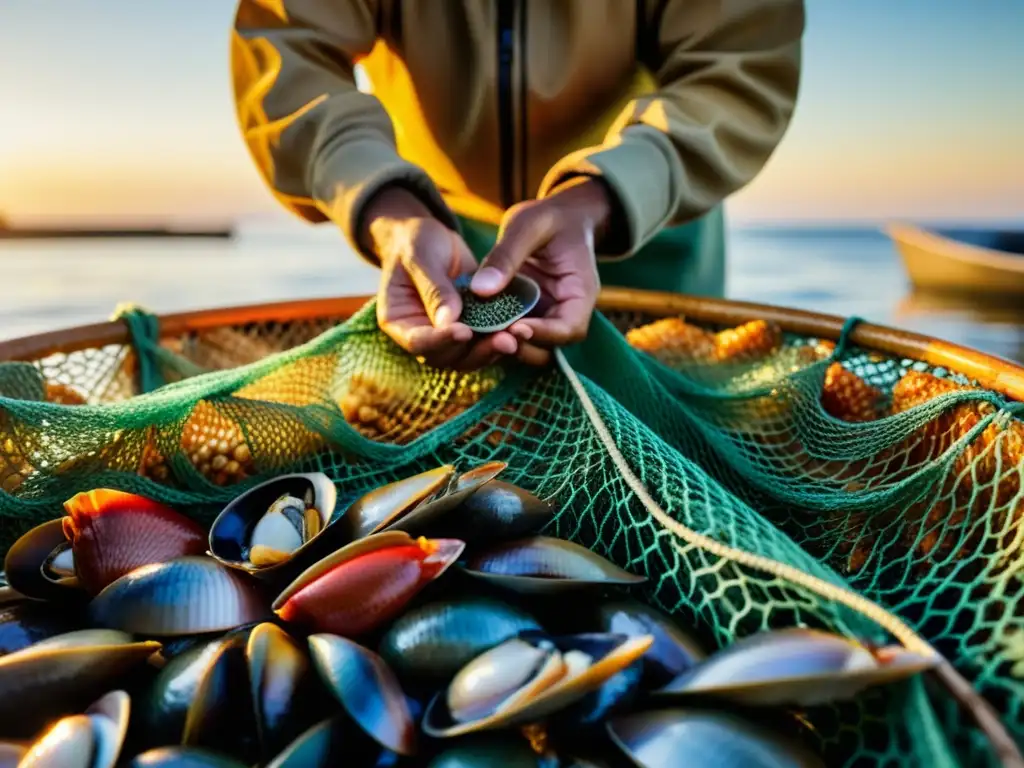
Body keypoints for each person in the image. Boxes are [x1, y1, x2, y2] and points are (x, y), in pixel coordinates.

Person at [232, 0, 804, 370]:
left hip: (649, 225)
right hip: (443, 244)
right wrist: (388, 207)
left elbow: (739, 67)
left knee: (672, 453)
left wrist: (605, 192)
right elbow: (286, 47)